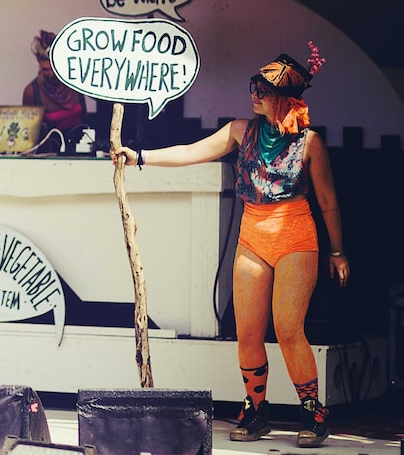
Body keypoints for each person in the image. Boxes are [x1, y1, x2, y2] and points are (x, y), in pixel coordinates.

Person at [111, 43, 349, 448]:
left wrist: (338, 252)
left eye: (264, 89)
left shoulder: (310, 144)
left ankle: (314, 413)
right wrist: (139, 158)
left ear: (286, 99)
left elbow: (327, 202)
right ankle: (256, 411)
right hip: (252, 237)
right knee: (248, 333)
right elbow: (192, 151)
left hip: (295, 236)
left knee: (288, 329)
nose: (254, 93)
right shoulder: (241, 130)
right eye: (253, 85)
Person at [23, 30, 89, 152]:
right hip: (49, 155)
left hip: (81, 150)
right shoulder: (32, 92)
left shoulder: (75, 84)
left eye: (55, 68)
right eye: (45, 69)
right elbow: (29, 135)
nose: (51, 74)